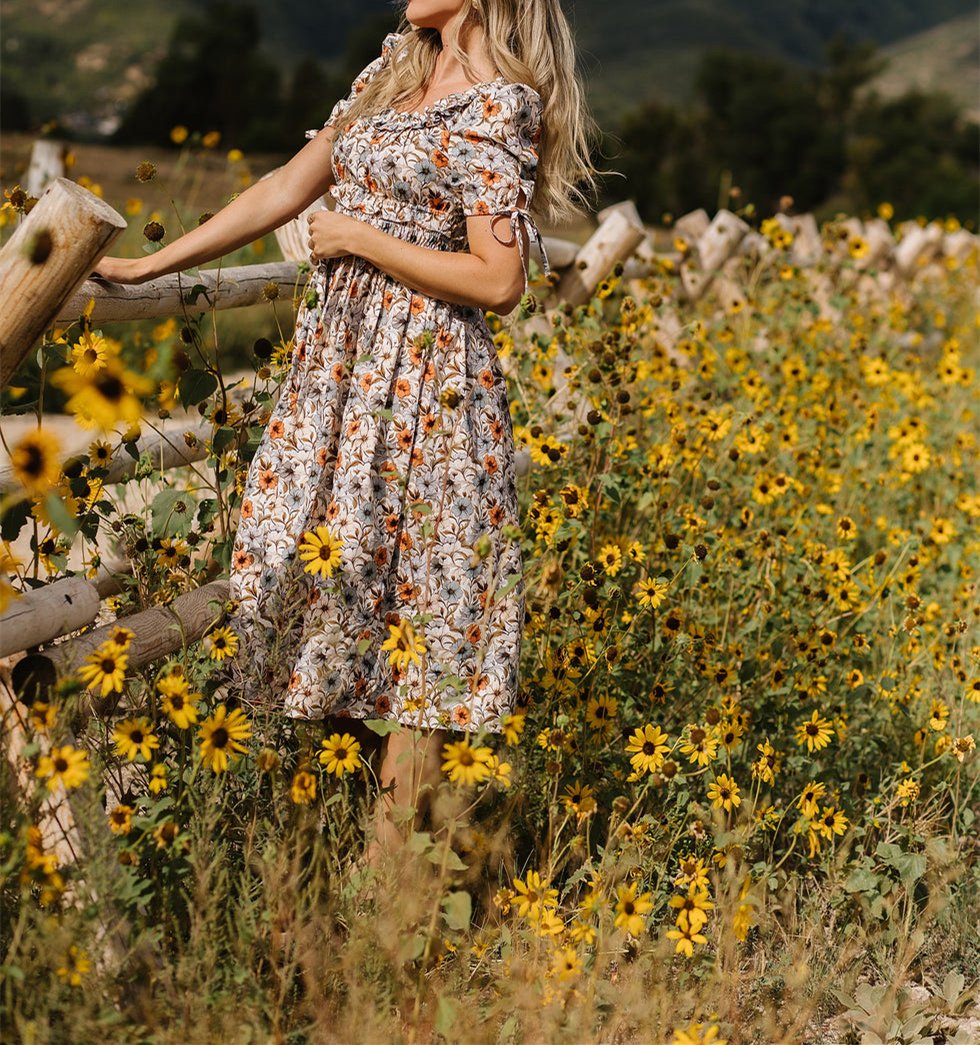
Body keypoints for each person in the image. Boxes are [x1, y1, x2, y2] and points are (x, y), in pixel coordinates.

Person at [92, 0, 600, 873]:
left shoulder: (499, 104)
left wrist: (362, 238)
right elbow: (284, 188)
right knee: (303, 576)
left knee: (421, 619)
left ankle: (390, 901)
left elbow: (499, 276)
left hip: (429, 388)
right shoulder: (393, 72)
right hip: (338, 375)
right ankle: (333, 858)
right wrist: (148, 263)